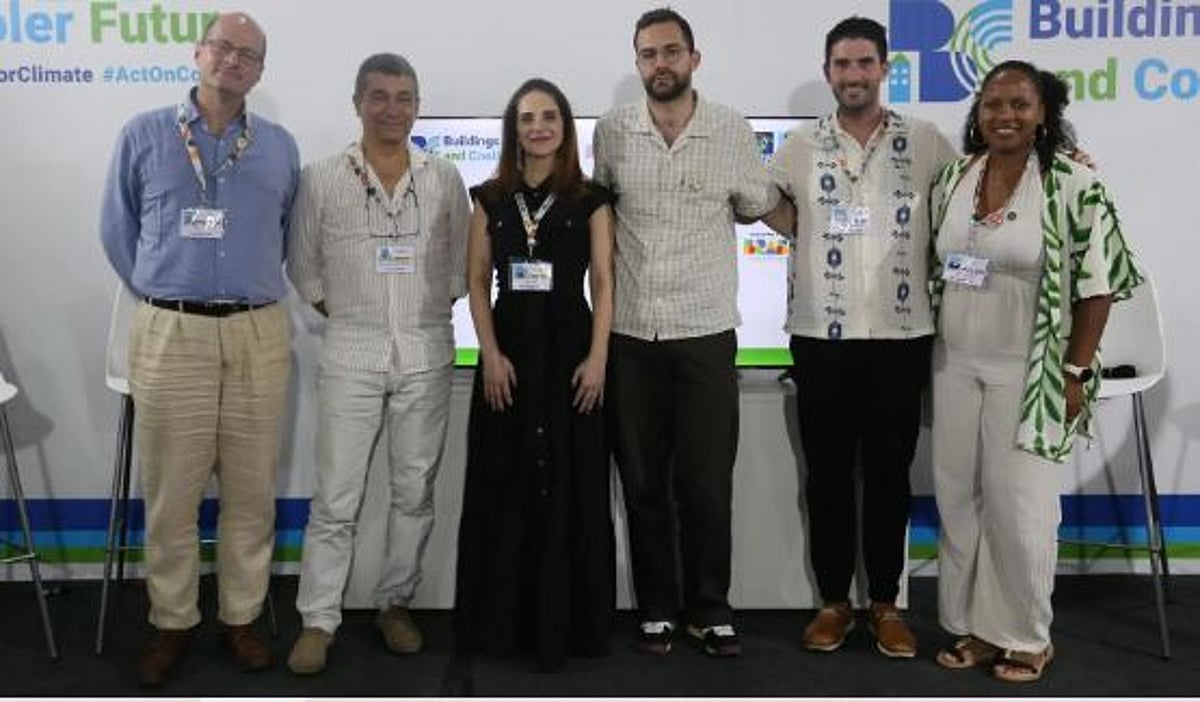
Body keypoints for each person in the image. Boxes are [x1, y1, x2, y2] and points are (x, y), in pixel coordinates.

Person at [98, 12, 299, 688]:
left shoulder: (278, 148)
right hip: (172, 331)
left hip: (256, 331)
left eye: (248, 55)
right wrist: (166, 289)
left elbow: (285, 234)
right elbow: (117, 229)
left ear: (259, 72)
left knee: (251, 490)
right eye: (222, 47)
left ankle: (240, 617)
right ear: (197, 53)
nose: (232, 60)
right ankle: (172, 620)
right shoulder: (145, 135)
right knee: (171, 492)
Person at [928, 60, 1142, 682]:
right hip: (953, 364)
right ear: (978, 113)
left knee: (1020, 507)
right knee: (960, 499)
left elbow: (1100, 287)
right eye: (993, 104)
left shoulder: (1074, 183)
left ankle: (1025, 635)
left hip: (1033, 372)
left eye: (1020, 104)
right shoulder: (954, 177)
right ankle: (973, 626)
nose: (1005, 116)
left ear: (1044, 112)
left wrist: (1075, 372)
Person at [763, 16, 957, 658]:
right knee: (826, 475)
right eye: (842, 64)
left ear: (884, 69)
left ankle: (885, 603)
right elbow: (762, 201)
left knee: (890, 474)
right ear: (828, 72)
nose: (854, 75)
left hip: (901, 337)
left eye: (864, 63)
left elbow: (972, 195)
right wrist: (804, 232)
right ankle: (833, 602)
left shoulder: (925, 141)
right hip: (821, 336)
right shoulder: (799, 146)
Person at [592, 7, 782, 658]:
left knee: (704, 484)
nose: (661, 64)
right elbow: (599, 221)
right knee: (643, 484)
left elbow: (759, 205)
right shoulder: (613, 133)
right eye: (648, 54)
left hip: (705, 333)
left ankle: (709, 607)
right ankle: (656, 607)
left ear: (694, 59)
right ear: (637, 63)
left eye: (671, 51)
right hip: (631, 335)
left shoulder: (731, 130)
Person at [284, 53, 470, 675]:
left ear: (418, 105)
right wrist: (354, 317)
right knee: (336, 498)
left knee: (414, 492)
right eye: (379, 96)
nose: (392, 109)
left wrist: (420, 314)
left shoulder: (444, 178)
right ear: (357, 102)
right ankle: (318, 619)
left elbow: (460, 267)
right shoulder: (321, 179)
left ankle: (395, 603)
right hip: (351, 355)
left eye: (404, 97)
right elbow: (304, 269)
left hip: (424, 354)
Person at [453, 78, 616, 672]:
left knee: (573, 482)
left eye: (549, 117)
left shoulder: (590, 199)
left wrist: (598, 358)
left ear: (565, 127)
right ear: (513, 129)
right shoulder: (490, 198)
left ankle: (569, 627)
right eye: (527, 118)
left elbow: (604, 283)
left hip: (572, 352)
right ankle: (503, 624)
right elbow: (476, 281)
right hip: (509, 353)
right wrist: (490, 354)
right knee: (506, 478)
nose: (539, 127)